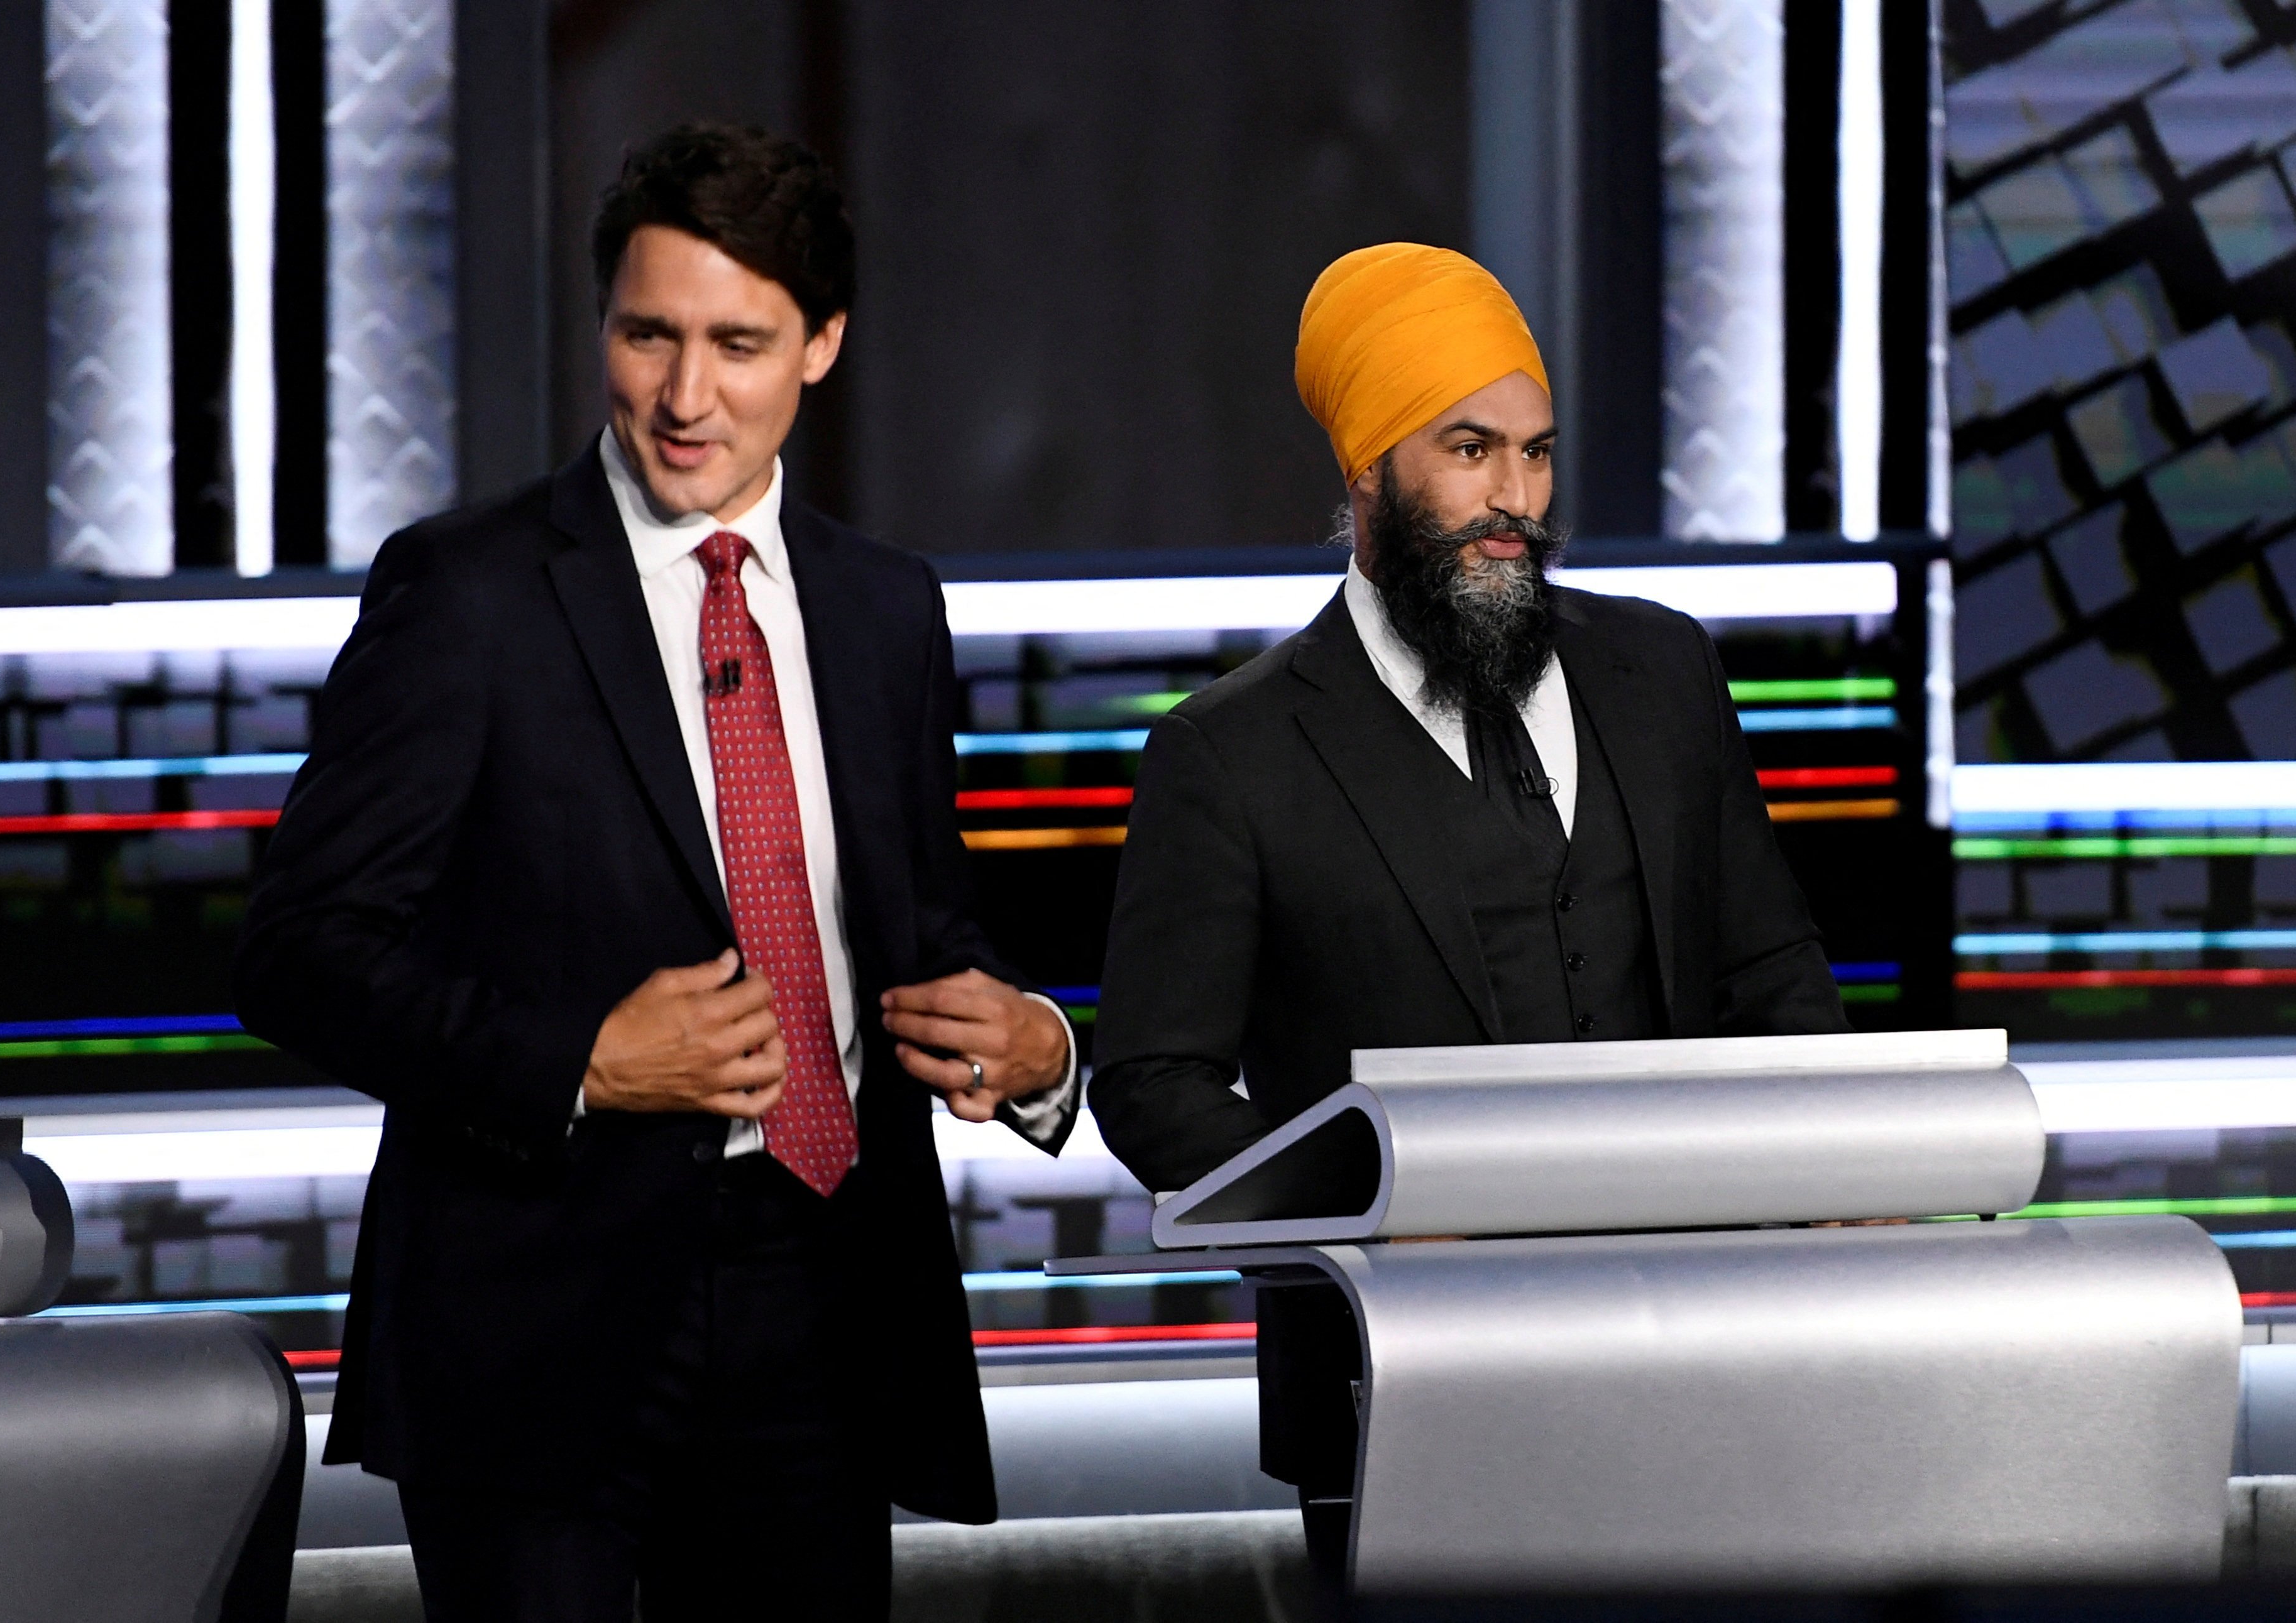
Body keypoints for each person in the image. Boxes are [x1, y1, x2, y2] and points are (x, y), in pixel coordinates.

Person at [236, 122, 1077, 1621]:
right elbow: (297, 951)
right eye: (649, 335)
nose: (686, 398)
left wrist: (1034, 1047)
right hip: (534, 1317)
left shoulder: (886, 611)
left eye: (738, 344)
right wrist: (583, 1058)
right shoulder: (469, 593)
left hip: (819, 1299)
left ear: (822, 344)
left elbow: (924, 933)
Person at [1090, 241, 1847, 1197]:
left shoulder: (1662, 669)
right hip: (1402, 1322)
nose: (1515, 501)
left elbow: (1770, 969)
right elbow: (1153, 1084)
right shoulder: (1231, 753)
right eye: (1469, 450)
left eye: (1535, 453)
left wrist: (1828, 1172)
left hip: (1686, 1296)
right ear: (1368, 468)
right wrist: (1367, 1207)